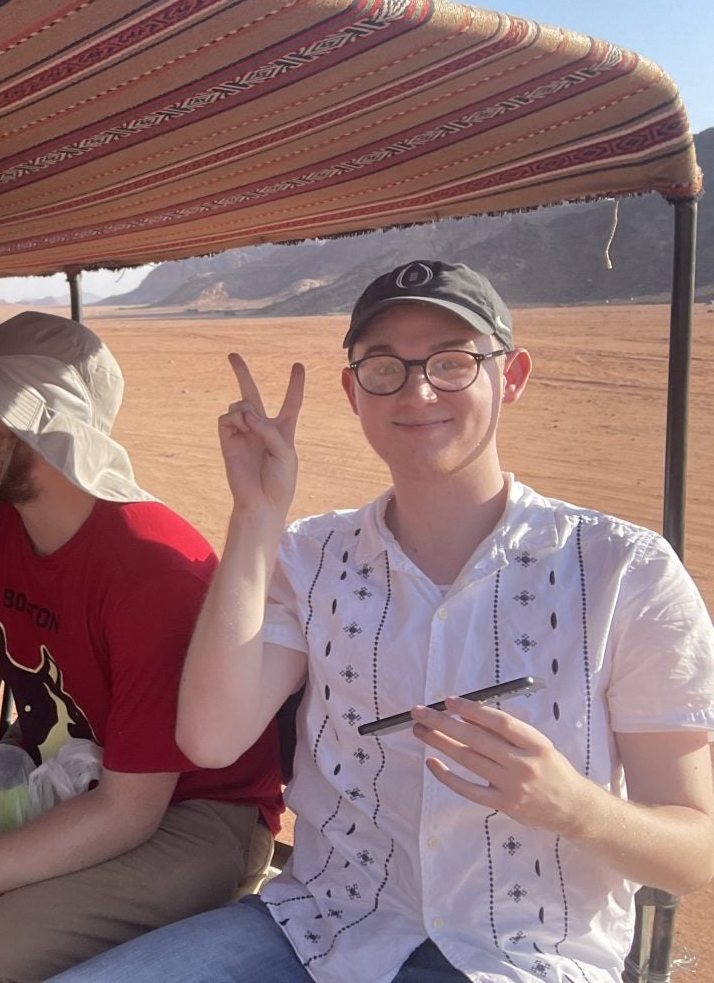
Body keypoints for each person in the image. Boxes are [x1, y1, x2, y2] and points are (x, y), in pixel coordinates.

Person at [48, 260, 714, 983]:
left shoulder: (625, 573)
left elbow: (692, 851)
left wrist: (573, 806)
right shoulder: (312, 555)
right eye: (384, 367)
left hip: (521, 956)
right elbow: (210, 738)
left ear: (512, 376)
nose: (418, 389)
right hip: (320, 929)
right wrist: (256, 516)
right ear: (353, 391)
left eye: (453, 363)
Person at [0, 311, 284, 983]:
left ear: (37, 420)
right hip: (64, 773)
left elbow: (132, 808)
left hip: (194, 811)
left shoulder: (151, 568)